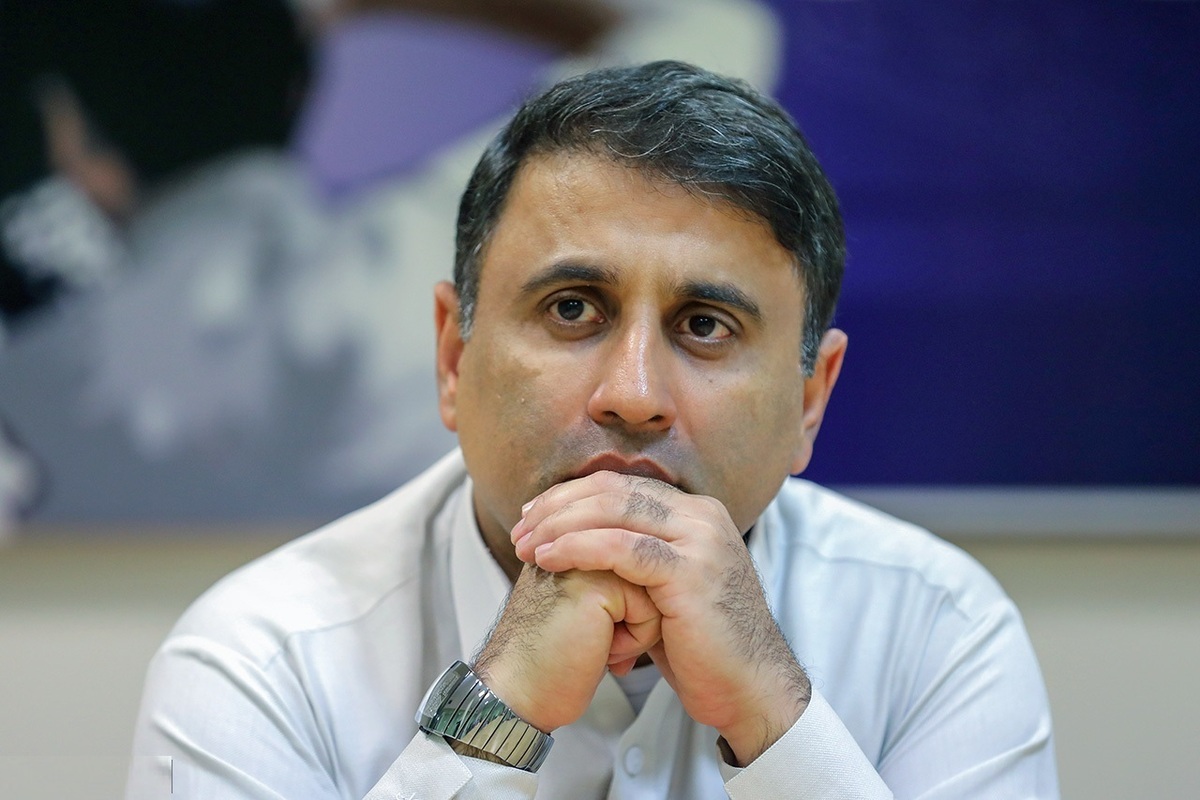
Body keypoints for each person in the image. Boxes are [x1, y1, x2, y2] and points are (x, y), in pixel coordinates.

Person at [126, 61, 1059, 798]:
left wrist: (776, 716)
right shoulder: (261, 657)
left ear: (809, 401)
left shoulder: (937, 628)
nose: (633, 395)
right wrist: (496, 716)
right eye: (572, 308)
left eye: (706, 325)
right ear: (453, 356)